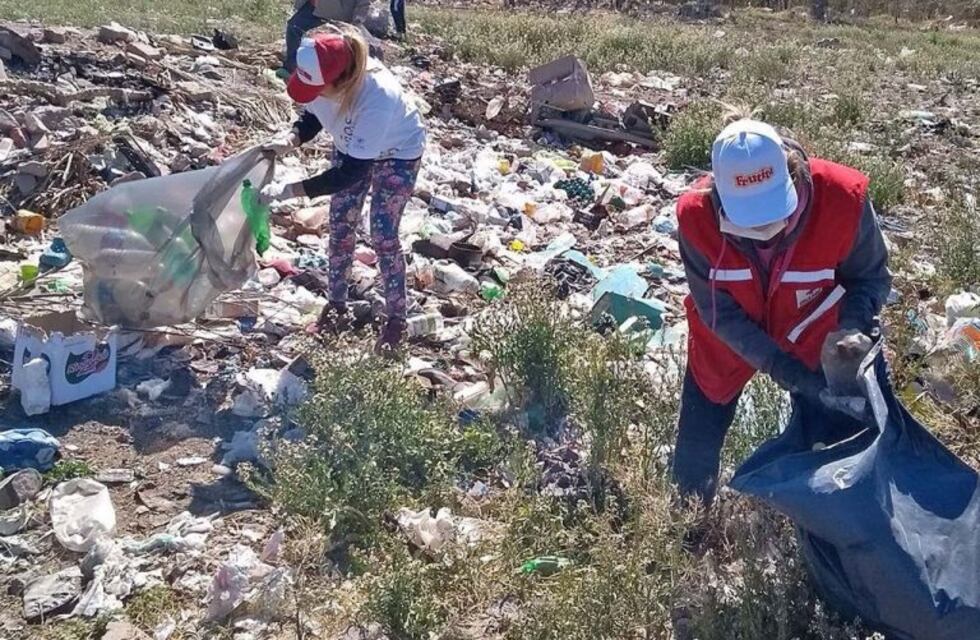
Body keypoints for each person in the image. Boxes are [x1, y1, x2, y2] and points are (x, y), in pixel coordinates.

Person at [672, 117, 892, 507]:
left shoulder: (842, 199)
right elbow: (715, 309)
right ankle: (688, 523)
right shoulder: (696, 216)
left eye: (776, 216)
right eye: (749, 223)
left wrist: (852, 328)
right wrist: (780, 367)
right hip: (725, 342)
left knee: (837, 442)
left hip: (817, 338)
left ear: (791, 179)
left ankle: (823, 528)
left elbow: (869, 278)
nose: (768, 232)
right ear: (718, 194)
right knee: (697, 444)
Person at [261, 30, 426, 353]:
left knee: (382, 234)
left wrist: (289, 190)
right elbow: (313, 113)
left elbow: (350, 173)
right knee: (339, 227)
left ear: (342, 82)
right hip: (353, 147)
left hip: (397, 153)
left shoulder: (378, 98)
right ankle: (336, 307)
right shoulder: (324, 71)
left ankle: (396, 320)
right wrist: (292, 138)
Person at [280, 0, 369, 77]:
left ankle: (320, 77)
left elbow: (364, 2)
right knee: (294, 28)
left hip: (336, 14)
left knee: (327, 45)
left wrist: (356, 21)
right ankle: (292, 69)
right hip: (312, 7)